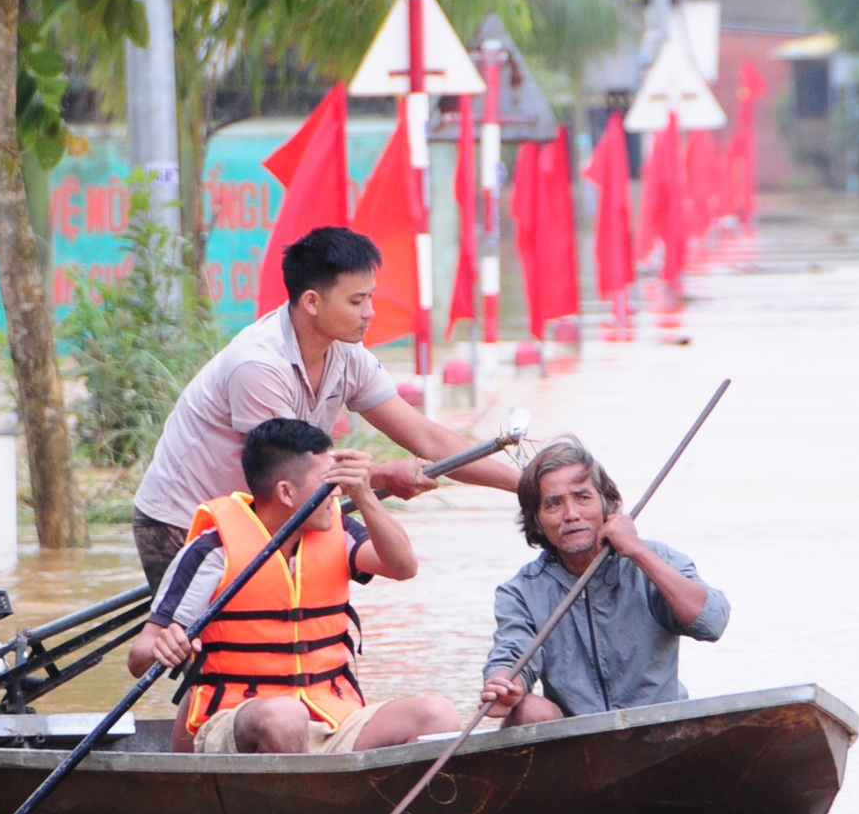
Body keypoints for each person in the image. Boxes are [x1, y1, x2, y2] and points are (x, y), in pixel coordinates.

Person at [129, 226, 520, 585]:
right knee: (231, 651)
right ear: (312, 302)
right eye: (356, 301)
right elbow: (288, 475)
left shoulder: (349, 355)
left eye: (370, 298)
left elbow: (427, 437)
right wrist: (382, 476)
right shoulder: (259, 364)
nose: (370, 312)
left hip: (272, 514)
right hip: (183, 522)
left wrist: (525, 485)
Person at [131, 417, 459, 754]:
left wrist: (365, 497)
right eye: (327, 482)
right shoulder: (212, 552)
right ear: (286, 492)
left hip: (332, 716)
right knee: (285, 715)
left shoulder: (338, 531)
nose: (337, 492)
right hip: (238, 720)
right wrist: (164, 647)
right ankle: (303, 802)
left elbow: (403, 567)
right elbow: (139, 656)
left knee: (438, 714)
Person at [477, 438, 728, 725]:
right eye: (554, 504)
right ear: (536, 522)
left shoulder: (655, 558)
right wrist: (503, 685)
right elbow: (511, 655)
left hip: (660, 728)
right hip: (577, 743)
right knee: (529, 709)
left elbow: (712, 623)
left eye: (583, 498)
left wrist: (637, 551)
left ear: (607, 504)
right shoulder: (522, 591)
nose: (571, 515)